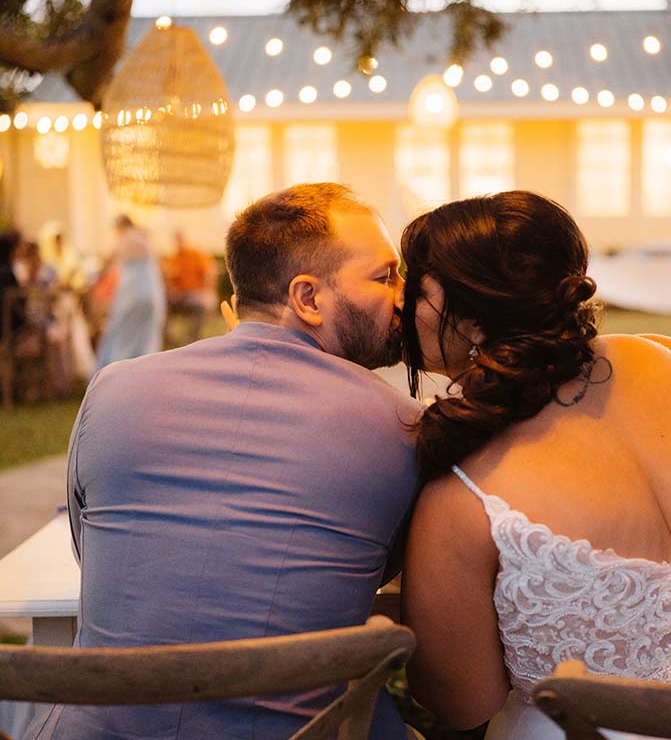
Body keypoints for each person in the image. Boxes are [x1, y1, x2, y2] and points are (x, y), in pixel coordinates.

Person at [399, 191, 671, 740]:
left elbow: (464, 701)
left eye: (414, 288)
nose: (401, 303)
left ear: (470, 321)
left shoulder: (462, 501)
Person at [25, 183, 419, 740]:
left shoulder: (115, 389)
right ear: (307, 299)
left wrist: (255, 353)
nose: (402, 295)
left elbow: (97, 556)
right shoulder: (402, 425)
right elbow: (369, 575)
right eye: (384, 277)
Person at [94, 214, 166, 371]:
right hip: (150, 293)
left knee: (124, 331)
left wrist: (95, 277)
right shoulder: (144, 237)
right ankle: (143, 367)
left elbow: (108, 261)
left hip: (131, 292)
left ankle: (120, 368)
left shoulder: (125, 239)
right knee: (144, 333)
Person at [162, 230, 216, 346]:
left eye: (180, 239)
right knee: (162, 305)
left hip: (195, 294)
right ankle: (169, 338)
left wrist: (207, 290)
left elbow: (209, 274)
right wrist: (172, 290)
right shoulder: (174, 258)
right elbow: (170, 279)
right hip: (179, 296)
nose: (179, 242)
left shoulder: (196, 255)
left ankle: (191, 339)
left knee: (200, 307)